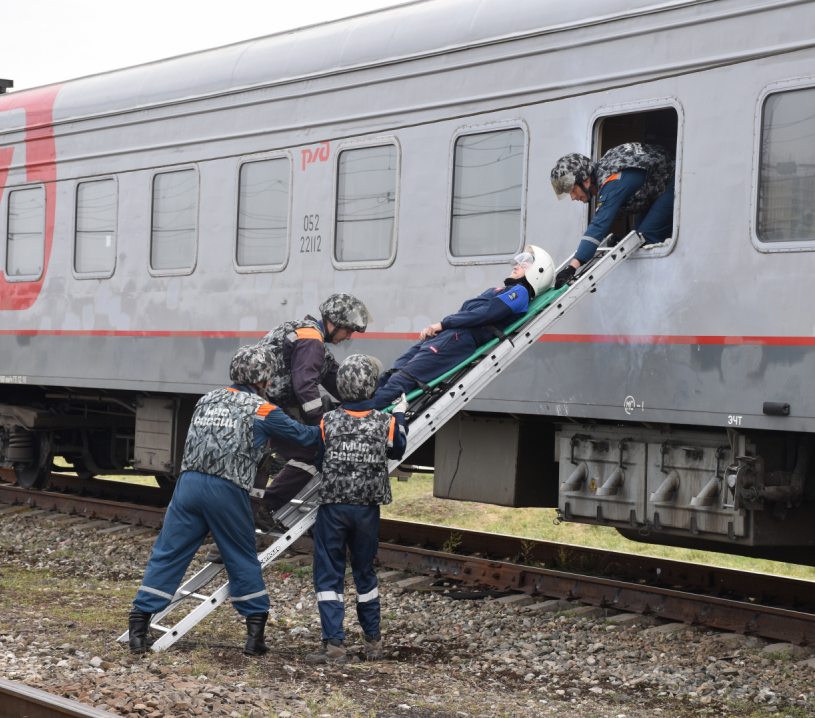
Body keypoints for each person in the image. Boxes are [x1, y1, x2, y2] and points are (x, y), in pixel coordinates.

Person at [128, 345, 322, 656]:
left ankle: (138, 628)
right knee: (240, 554)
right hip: (226, 489)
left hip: (187, 485)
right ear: (265, 379)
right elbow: (305, 437)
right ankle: (254, 636)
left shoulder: (206, 399)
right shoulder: (263, 410)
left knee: (169, 551)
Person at [305, 355, 409, 665]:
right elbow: (398, 449)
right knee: (365, 573)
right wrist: (400, 415)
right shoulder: (385, 421)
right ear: (371, 387)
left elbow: (319, 457)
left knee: (329, 574)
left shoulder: (328, 420)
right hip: (367, 511)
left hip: (333, 509)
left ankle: (334, 644)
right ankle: (373, 643)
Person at [364, 245, 555, 411]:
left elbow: (486, 313)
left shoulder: (520, 292)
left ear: (538, 271)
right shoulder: (505, 290)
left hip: (458, 339)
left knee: (403, 378)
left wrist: (443, 324)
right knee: (394, 372)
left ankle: (358, 414)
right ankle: (354, 406)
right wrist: (440, 329)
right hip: (448, 336)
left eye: (524, 265)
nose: (516, 266)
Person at [252, 293, 373, 530]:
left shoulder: (310, 336)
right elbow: (305, 386)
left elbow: (339, 383)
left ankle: (257, 508)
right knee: (309, 452)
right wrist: (322, 427)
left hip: (262, 407)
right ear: (333, 323)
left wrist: (370, 404)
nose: (348, 337)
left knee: (278, 457)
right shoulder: (311, 339)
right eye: (348, 330)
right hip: (263, 410)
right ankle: (260, 508)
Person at [549, 142, 674, 288]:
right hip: (658, 188)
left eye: (572, 190)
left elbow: (599, 224)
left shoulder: (612, 182)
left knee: (645, 238)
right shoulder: (605, 167)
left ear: (586, 180)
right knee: (636, 237)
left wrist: (572, 267)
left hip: (672, 182)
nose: (573, 197)